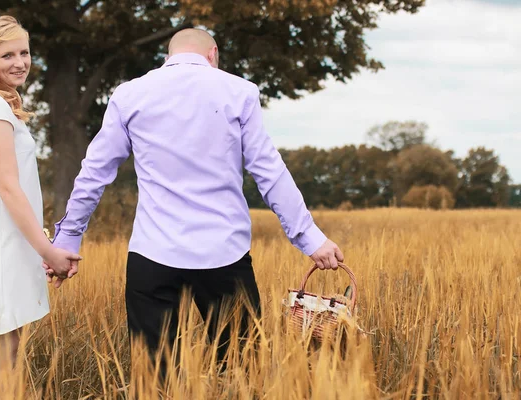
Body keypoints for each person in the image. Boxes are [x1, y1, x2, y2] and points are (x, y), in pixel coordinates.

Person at [48, 28, 344, 379]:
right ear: (213, 54)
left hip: (152, 254)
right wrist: (309, 238)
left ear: (167, 58)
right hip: (224, 253)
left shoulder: (129, 95)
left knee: (154, 377)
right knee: (240, 373)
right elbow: (270, 172)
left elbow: (94, 172)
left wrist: (67, 239)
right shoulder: (240, 92)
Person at [0, 15, 81, 397]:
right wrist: (49, 251)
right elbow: (9, 189)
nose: (20, 62)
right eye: (7, 55)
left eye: (24, 52)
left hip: (5, 244)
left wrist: (37, 246)